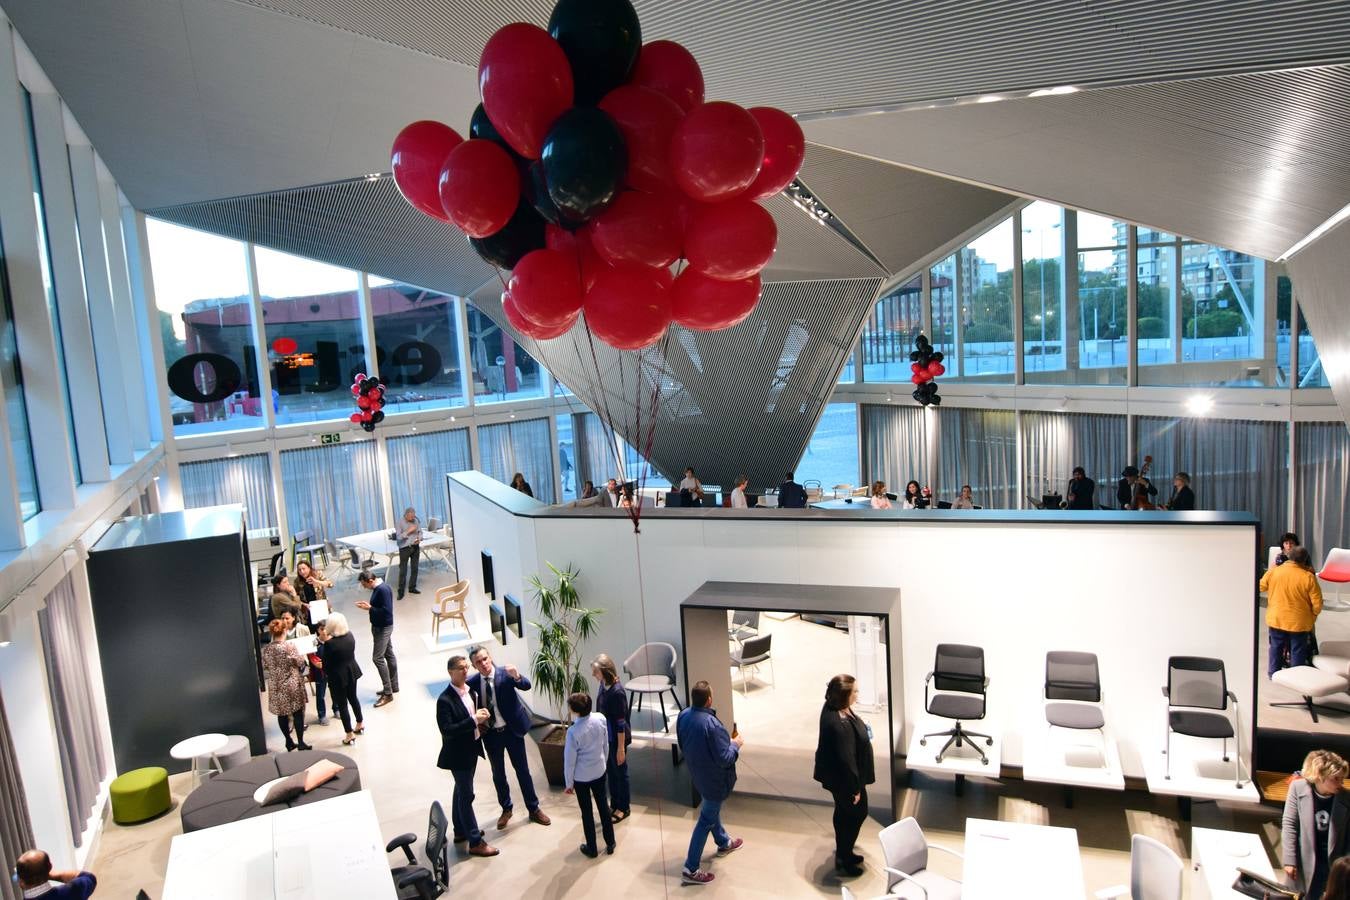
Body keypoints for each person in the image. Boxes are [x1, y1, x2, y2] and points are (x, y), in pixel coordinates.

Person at [467, 646, 552, 829]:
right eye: (478, 662)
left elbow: (526, 685)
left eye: (485, 659)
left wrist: (517, 676)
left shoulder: (505, 673)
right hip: (491, 735)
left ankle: (534, 808)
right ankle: (506, 809)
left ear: (490, 657)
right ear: (474, 666)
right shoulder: (472, 683)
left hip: (512, 731)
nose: (483, 664)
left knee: (522, 771)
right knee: (498, 774)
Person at [676, 680, 744, 886]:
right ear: (709, 700)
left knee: (710, 810)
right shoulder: (712, 725)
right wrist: (736, 745)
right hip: (714, 779)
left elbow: (681, 741)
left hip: (698, 774)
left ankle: (724, 842)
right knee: (706, 819)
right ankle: (691, 867)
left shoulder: (683, 715)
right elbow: (725, 758)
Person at [813, 674, 875, 877]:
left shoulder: (835, 707)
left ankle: (843, 851)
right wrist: (855, 789)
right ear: (843, 696)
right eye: (854, 692)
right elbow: (846, 762)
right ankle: (844, 856)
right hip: (846, 781)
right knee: (857, 813)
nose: (857, 694)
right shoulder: (839, 726)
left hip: (841, 777)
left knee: (843, 813)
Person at [437, 655, 498, 857]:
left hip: (471, 749)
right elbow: (447, 729)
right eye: (460, 668)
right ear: (450, 672)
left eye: (466, 667)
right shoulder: (444, 700)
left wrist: (479, 715)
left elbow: (470, 718)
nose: (465, 671)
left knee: (460, 790)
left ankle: (461, 831)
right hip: (458, 755)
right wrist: (473, 720)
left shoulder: (469, 692)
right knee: (466, 796)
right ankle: (475, 841)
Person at [1282, 750, 1350, 899]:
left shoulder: (1346, 798)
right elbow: (1290, 825)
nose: (1341, 783)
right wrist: (1289, 860)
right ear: (1320, 776)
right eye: (1336, 779)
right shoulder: (1298, 788)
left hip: (1332, 865)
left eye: (1342, 778)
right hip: (1304, 860)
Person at [563, 692, 616, 858]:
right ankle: (610, 842)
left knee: (586, 812)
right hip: (599, 770)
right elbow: (605, 744)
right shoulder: (600, 718)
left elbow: (570, 761)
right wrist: (604, 762)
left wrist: (569, 783)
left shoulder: (573, 732)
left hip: (581, 777)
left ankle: (592, 848)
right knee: (603, 807)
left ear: (574, 710)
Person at [1262, 546, 1324, 677]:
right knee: (1298, 649)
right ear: (1305, 560)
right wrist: (1312, 617)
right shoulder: (1308, 577)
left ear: (1289, 557)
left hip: (1276, 618)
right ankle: (1295, 676)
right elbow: (1317, 604)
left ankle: (1273, 673)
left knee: (1275, 647)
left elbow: (1260, 586)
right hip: (1300, 622)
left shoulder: (1274, 572)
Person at [592, 654, 631, 823]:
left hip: (617, 738)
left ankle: (624, 807)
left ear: (605, 672)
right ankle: (615, 803)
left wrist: (621, 748)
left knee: (620, 772)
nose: (594, 675)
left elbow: (621, 723)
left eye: (596, 672)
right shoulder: (603, 685)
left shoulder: (617, 692)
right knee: (611, 772)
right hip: (606, 736)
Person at [262, 618, 310, 751]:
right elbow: (300, 662)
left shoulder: (267, 650)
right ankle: (300, 742)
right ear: (285, 630)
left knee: (282, 715)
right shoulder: (289, 646)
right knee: (297, 713)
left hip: (276, 686)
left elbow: (265, 666)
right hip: (291, 685)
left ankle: (288, 742)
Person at [355, 570, 398, 707]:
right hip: (380, 626)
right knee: (388, 654)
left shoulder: (382, 590)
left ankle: (388, 693)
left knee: (377, 658)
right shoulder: (378, 588)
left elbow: (386, 611)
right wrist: (370, 607)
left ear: (371, 581)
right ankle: (393, 685)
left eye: (364, 584)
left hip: (383, 628)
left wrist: (369, 608)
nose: (364, 587)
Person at [322, 611, 364, 745]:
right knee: (353, 698)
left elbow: (326, 665)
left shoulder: (329, 644)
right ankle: (360, 723)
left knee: (342, 704)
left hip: (338, 676)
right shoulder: (350, 636)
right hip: (352, 670)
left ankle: (349, 734)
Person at [13, 850, 96, 899]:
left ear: (20, 880)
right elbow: (89, 878)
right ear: (50, 867)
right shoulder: (71, 892)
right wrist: (54, 875)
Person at [395, 507, 422, 599]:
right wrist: (408, 531)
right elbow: (398, 537)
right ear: (406, 515)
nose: (413, 519)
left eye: (414, 517)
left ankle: (412, 588)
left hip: (415, 547)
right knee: (403, 571)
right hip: (404, 548)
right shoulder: (399, 523)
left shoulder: (416, 520)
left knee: (415, 568)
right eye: (411, 517)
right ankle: (401, 592)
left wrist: (419, 538)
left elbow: (420, 532)